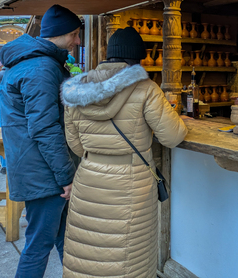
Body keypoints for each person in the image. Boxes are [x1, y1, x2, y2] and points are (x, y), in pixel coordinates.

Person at [60, 27, 187, 278]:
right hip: (131, 183)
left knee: (87, 252)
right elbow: (172, 137)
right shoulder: (146, 88)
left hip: (88, 179)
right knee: (128, 258)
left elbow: (75, 144)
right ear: (137, 59)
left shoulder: (76, 90)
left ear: (109, 56)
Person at [0, 4, 82, 278]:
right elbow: (45, 128)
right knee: (39, 246)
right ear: (62, 34)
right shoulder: (41, 69)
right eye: (75, 34)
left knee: (62, 240)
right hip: (44, 175)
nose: (78, 41)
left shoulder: (32, 63)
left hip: (36, 170)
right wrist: (66, 176)